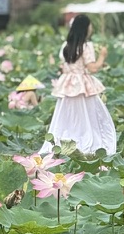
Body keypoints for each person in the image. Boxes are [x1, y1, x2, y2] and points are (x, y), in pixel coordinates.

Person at [42, 14, 116, 156]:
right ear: (86, 28)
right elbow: (93, 68)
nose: (91, 28)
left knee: (68, 115)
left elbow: (65, 66)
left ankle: (65, 142)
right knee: (88, 115)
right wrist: (102, 56)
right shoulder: (86, 46)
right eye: (90, 25)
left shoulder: (65, 46)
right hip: (81, 83)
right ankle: (84, 140)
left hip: (68, 82)